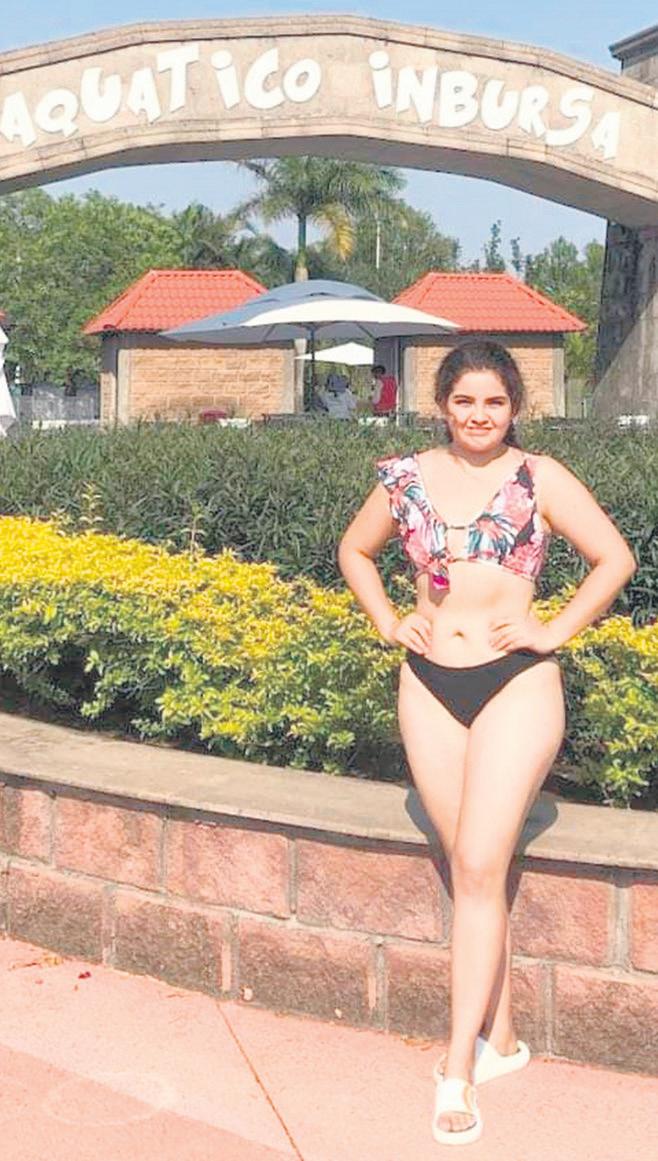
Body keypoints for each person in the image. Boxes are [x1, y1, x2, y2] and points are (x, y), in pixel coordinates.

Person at [337, 339, 636, 1147]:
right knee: (470, 864)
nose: (479, 415)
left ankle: (457, 1068)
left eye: (494, 402)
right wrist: (387, 618)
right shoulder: (403, 477)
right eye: (465, 401)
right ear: (443, 405)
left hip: (516, 682)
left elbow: (614, 558)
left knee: (474, 862)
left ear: (514, 408)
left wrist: (555, 629)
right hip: (428, 683)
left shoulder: (540, 477)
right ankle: (501, 1037)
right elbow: (354, 550)